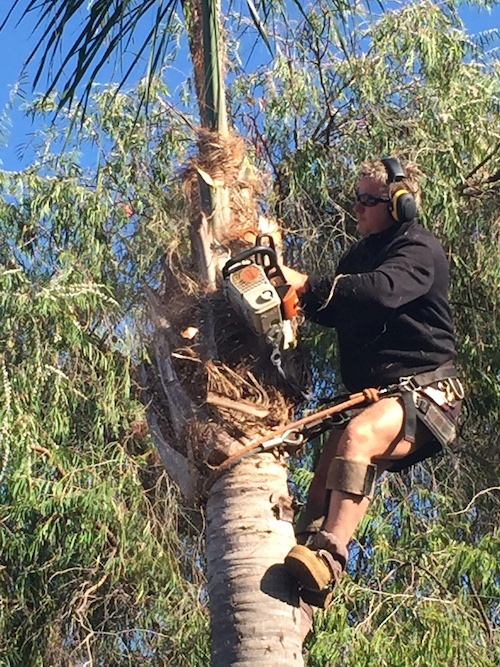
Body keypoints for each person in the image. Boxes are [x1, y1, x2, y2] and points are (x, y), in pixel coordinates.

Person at [280, 157, 463, 627]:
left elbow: (379, 292)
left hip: (426, 393)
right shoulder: (357, 259)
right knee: (321, 486)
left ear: (398, 205)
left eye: (368, 201)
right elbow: (339, 304)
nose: (357, 209)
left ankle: (332, 557)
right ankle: (300, 582)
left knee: (358, 437)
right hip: (379, 395)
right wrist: (291, 290)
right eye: (356, 199)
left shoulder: (418, 249)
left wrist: (313, 285)